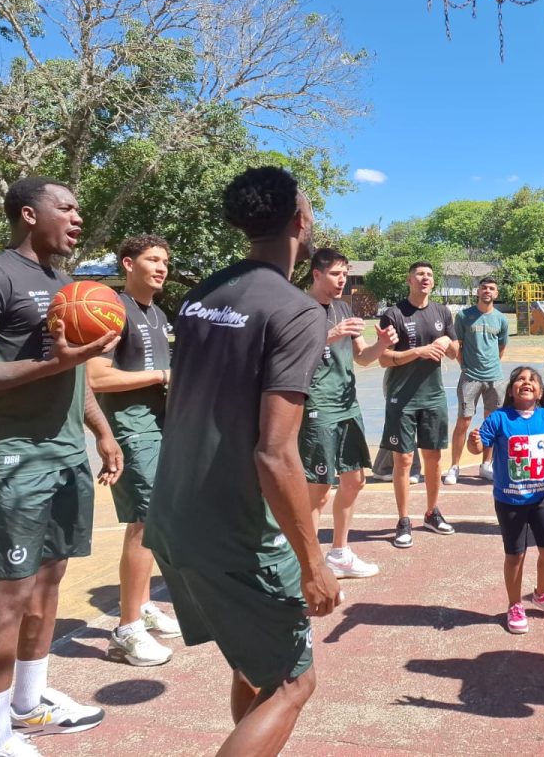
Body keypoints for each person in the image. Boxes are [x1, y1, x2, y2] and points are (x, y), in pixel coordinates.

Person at [145, 166, 340, 757]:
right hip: (235, 534)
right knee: (292, 681)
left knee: (254, 669)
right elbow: (274, 450)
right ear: (301, 221)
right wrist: (313, 561)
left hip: (172, 518)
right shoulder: (298, 310)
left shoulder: (202, 293)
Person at [0, 177, 122, 757]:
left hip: (65, 451)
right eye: (65, 207)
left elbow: (71, 371)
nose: (76, 217)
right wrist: (49, 368)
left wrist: (102, 431)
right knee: (9, 592)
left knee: (48, 582)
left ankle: (29, 704)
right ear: (28, 213)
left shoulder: (66, 285)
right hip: (12, 456)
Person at [88, 234, 181, 668]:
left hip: (158, 426)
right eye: (152, 260)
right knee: (143, 523)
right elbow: (96, 377)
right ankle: (126, 630)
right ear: (128, 263)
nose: (161, 267)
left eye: (164, 261)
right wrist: (161, 376)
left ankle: (141, 605)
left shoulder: (159, 313)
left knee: (157, 520)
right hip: (131, 428)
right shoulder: (110, 309)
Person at [467, 366, 544, 633]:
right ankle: (514, 604)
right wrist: (473, 441)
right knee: (515, 555)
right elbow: (478, 447)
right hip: (509, 500)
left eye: (532, 380)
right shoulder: (499, 418)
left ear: (540, 391)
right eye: (520, 380)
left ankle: (542, 593)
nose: (526, 382)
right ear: (511, 391)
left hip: (540, 497)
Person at [302, 248, 399, 579]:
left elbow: (361, 357)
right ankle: (309, 566)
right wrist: (330, 334)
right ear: (316, 274)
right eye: (335, 273)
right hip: (317, 406)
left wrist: (382, 344)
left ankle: (339, 554)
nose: (342, 279)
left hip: (347, 405)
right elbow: (290, 355)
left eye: (345, 273)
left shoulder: (343, 308)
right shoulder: (299, 309)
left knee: (355, 480)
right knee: (318, 490)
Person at [378, 262, 460, 549]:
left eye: (429, 275)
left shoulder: (442, 312)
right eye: (419, 275)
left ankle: (431, 512)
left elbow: (454, 352)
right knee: (403, 460)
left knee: (434, 459)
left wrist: (448, 341)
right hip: (402, 397)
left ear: (433, 282)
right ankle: (403, 520)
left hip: (434, 396)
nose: (425, 278)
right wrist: (418, 352)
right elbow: (384, 358)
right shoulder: (394, 314)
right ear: (409, 279)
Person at [447, 278, 510, 485]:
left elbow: (500, 348)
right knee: (463, 422)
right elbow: (458, 345)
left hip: (495, 378)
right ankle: (454, 466)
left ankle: (486, 465)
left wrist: (491, 367)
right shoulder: (464, 316)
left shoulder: (501, 319)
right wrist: (464, 366)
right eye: (484, 287)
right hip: (470, 377)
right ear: (478, 291)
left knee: (490, 424)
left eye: (492, 288)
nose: (487, 291)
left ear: (496, 293)